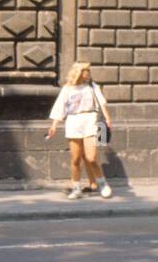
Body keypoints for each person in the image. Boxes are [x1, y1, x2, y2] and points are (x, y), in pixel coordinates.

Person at [48, 62, 113, 199]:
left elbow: (102, 102)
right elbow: (60, 107)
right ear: (79, 72)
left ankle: (102, 184)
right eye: (86, 71)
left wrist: (107, 119)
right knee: (76, 158)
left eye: (89, 71)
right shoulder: (67, 88)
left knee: (91, 157)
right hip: (73, 121)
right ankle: (76, 188)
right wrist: (54, 125)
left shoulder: (92, 86)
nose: (89, 73)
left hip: (90, 119)